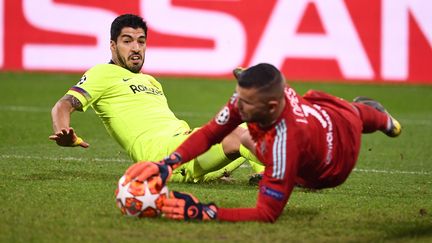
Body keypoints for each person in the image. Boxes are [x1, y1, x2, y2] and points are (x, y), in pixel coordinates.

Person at [123, 63, 402, 222]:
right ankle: (369, 113)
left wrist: (205, 212)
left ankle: (383, 119)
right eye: (238, 96)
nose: (236, 106)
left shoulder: (287, 142)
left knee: (353, 117)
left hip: (334, 161)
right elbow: (210, 133)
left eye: (245, 102)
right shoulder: (250, 101)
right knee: (330, 108)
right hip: (314, 111)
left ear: (270, 105)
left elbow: (266, 213)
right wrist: (169, 163)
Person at [49, 14, 261, 182]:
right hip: (164, 159)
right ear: (113, 45)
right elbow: (63, 105)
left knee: (250, 117)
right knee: (235, 133)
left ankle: (263, 172)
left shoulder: (151, 81)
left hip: (188, 142)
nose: (136, 48)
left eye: (141, 41)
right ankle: (286, 170)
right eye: (127, 41)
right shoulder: (101, 73)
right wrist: (62, 131)